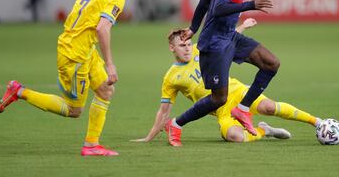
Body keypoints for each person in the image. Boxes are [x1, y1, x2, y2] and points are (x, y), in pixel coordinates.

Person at [0, 0, 138, 156]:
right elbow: (102, 28)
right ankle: (19, 91)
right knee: (74, 110)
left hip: (84, 49)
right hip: (74, 56)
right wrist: (110, 65)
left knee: (106, 91)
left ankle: (91, 145)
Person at [132, 20, 321, 145]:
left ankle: (317, 122)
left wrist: (243, 26)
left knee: (269, 107)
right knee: (235, 137)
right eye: (182, 46)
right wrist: (149, 137)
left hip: (237, 91)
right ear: (171, 48)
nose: (188, 48)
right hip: (220, 108)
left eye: (189, 44)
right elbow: (164, 111)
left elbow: (227, 40)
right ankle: (264, 131)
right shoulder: (171, 77)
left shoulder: (202, 49)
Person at [166, 0, 277, 146]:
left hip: (230, 37)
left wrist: (192, 28)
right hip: (215, 44)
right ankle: (175, 124)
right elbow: (218, 8)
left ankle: (242, 109)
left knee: (271, 63)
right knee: (219, 99)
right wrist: (250, 5)